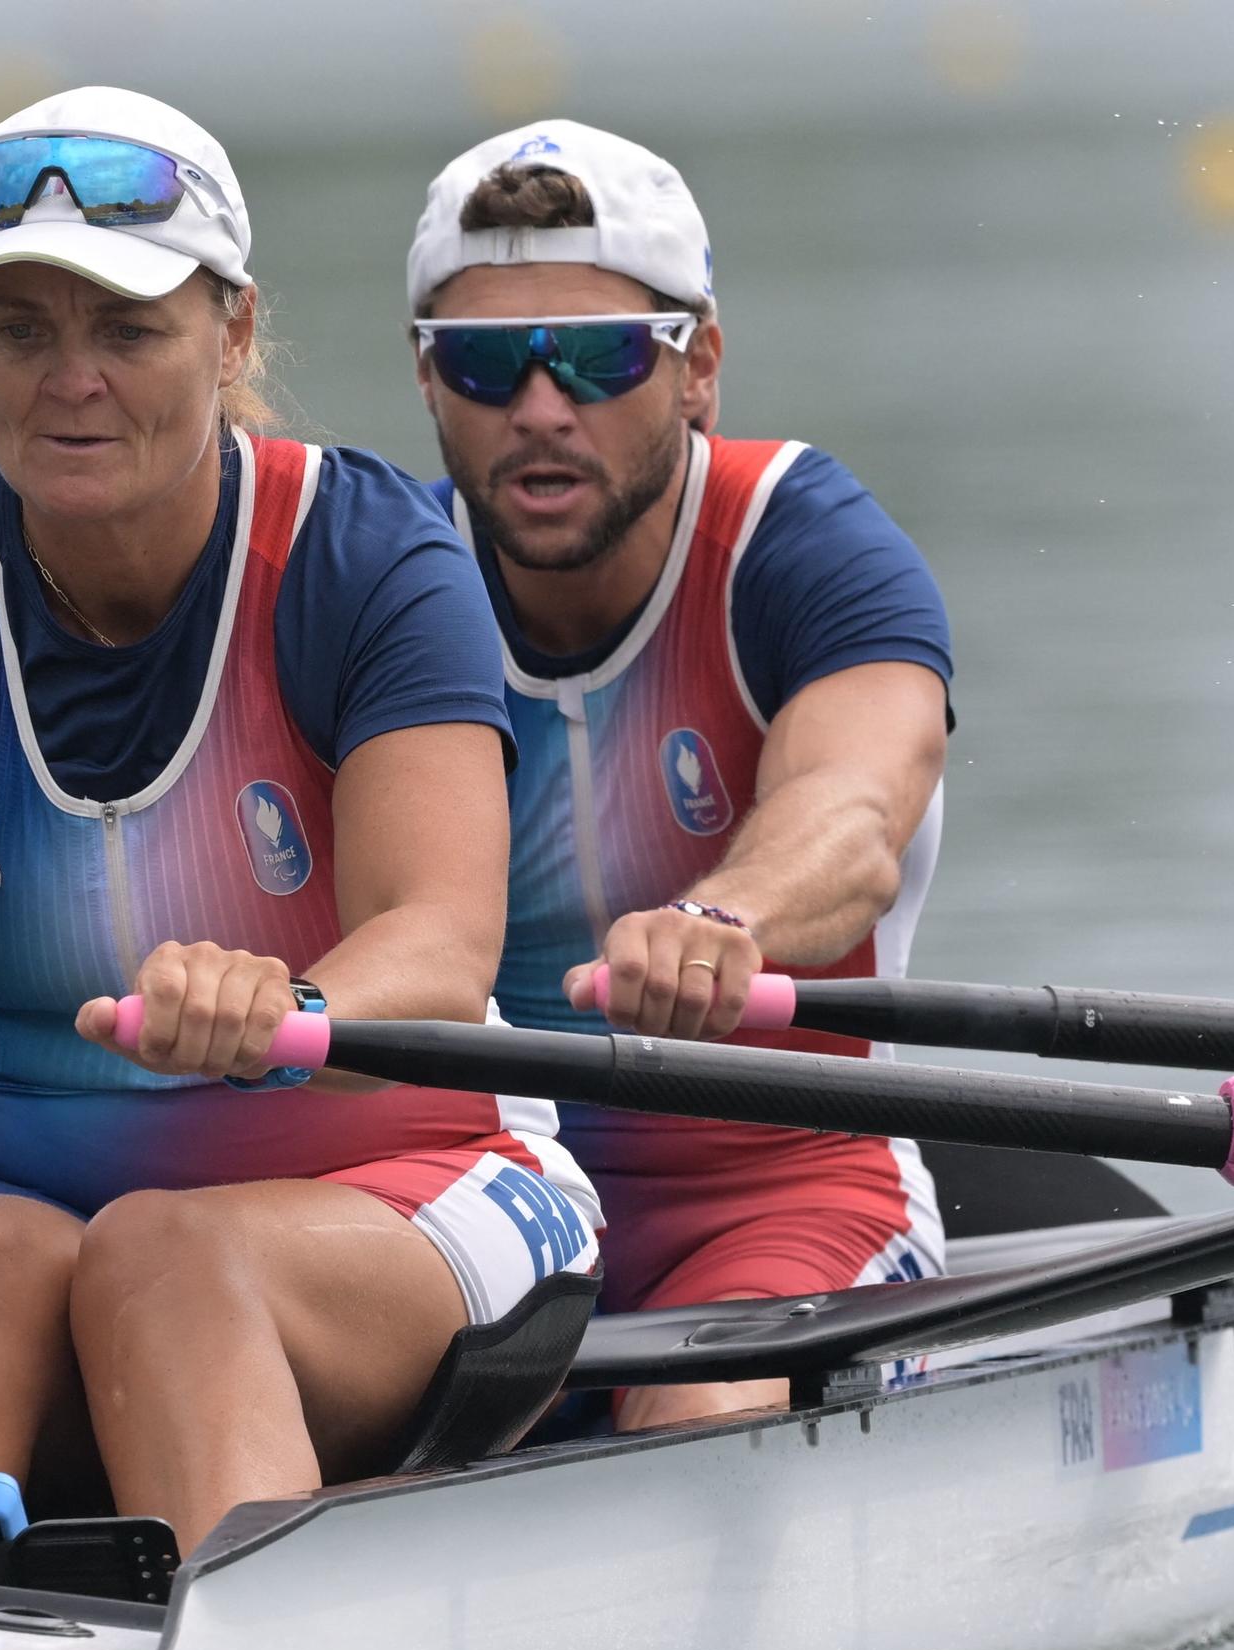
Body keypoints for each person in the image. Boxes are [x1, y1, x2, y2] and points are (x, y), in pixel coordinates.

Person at [0, 88, 600, 1558]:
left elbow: (441, 942)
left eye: (129, 331)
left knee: (166, 1257)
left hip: (417, 1188)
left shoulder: (371, 563)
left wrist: (299, 1005)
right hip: (17, 1192)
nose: (73, 381)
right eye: (22, 333)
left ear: (233, 333)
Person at [406, 121, 952, 1432]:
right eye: (487, 365)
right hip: (476, 1209)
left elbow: (858, 814)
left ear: (699, 364)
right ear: (428, 381)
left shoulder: (798, 543)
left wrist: (730, 923)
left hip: (789, 1192)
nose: (542, 409)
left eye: (596, 356)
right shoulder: (385, 586)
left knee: (694, 1414)